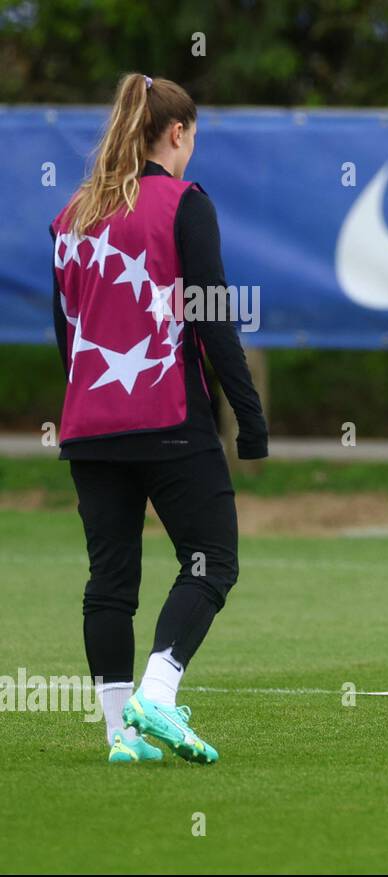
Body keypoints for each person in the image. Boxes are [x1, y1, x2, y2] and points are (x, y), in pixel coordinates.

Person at [51, 73, 268, 763]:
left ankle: (122, 736)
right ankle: (159, 693)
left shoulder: (73, 214)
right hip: (170, 416)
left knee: (109, 581)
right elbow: (211, 322)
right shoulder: (183, 203)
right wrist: (248, 416)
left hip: (89, 424)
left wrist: (86, 405)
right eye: (193, 136)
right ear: (177, 132)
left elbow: (68, 335)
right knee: (212, 562)